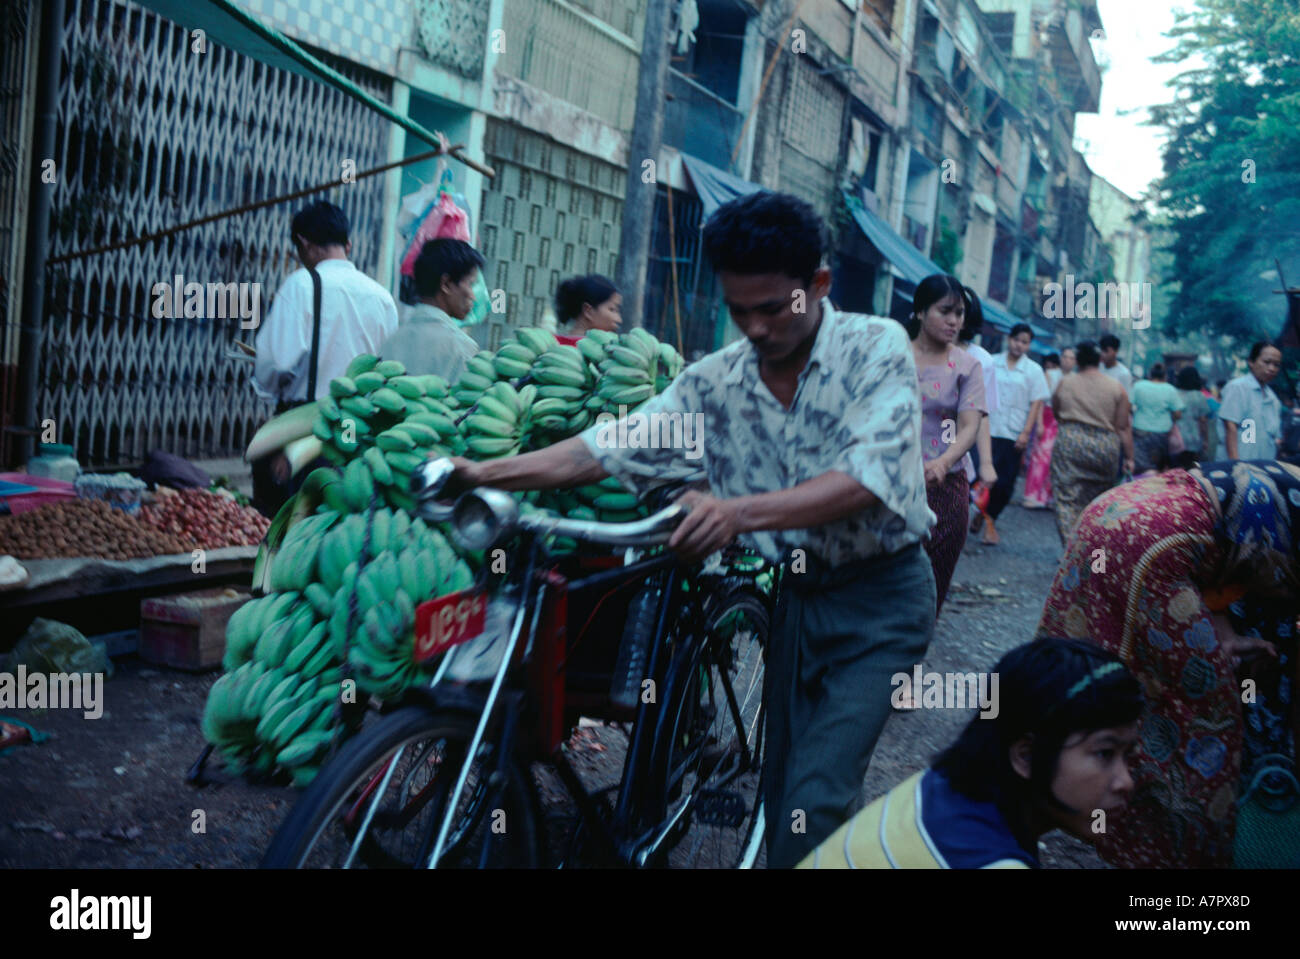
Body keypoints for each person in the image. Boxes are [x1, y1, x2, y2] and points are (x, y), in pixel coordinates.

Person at [441, 191, 937, 868]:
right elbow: (603, 447)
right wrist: (483, 472)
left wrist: (736, 512)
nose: (756, 328)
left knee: (814, 797)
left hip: (883, 599)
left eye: (773, 307)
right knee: (787, 789)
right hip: (799, 596)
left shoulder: (874, 348)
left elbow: (866, 479)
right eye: (740, 311)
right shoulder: (716, 381)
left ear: (818, 284)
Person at [1037, 458, 1300, 867]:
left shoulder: (1279, 486)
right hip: (1150, 543)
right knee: (1203, 713)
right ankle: (1164, 852)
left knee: (1093, 676)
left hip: (1112, 515)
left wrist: (1225, 638)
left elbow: (1220, 566)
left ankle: (1032, 792)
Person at [798, 636, 1142, 869]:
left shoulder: (941, 783)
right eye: (1104, 753)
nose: (1125, 782)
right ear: (1026, 756)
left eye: (1128, 756)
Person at [251, 200, 398, 515]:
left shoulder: (301, 285)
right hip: (357, 430)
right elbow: (388, 369)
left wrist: (268, 390)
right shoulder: (382, 298)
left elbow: (275, 364)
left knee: (283, 526)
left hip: (305, 426)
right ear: (348, 243)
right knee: (338, 524)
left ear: (303, 242)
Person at [907, 274, 986, 615]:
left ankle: (906, 663)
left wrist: (943, 461)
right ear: (921, 312)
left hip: (945, 487)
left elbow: (970, 425)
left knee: (927, 594)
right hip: (887, 485)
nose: (955, 321)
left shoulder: (967, 365)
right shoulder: (893, 354)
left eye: (960, 313)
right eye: (945, 311)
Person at [1049, 341, 1133, 543]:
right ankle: (1095, 555)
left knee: (1066, 500)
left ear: (1078, 360)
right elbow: (1123, 426)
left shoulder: (1065, 382)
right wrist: (1129, 457)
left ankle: (1073, 551)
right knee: (1099, 503)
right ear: (1099, 360)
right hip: (1105, 447)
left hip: (1070, 443)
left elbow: (1057, 411)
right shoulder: (1116, 387)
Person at [979, 323, 1050, 545]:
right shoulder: (991, 363)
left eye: (1024, 342)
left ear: (1029, 345)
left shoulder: (1033, 371)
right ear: (1009, 339)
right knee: (980, 477)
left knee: (1005, 483)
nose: (1019, 345)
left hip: (1013, 432)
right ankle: (978, 513)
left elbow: (1037, 402)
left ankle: (989, 518)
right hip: (987, 428)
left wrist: (1026, 432)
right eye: (1016, 340)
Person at [379, 238, 482, 384]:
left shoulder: (390, 342)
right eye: (470, 284)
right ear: (446, 284)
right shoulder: (461, 348)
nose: (473, 296)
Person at [955, 293, 998, 495]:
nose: (952, 320)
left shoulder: (981, 361)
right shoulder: (913, 351)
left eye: (959, 312)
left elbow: (982, 414)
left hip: (957, 446)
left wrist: (986, 463)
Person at [1220, 343, 1284, 460]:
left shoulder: (1273, 399)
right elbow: (1230, 427)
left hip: (1264, 466)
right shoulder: (1237, 388)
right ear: (1251, 362)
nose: (1271, 368)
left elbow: (1275, 437)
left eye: (1276, 365)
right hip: (1239, 465)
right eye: (1267, 362)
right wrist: (1236, 463)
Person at [1022, 353, 1061, 509]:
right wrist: (1039, 423)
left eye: (1071, 358)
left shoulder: (1072, 377)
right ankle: (1032, 494)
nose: (1068, 360)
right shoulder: (1049, 374)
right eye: (1065, 357)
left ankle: (1046, 496)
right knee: (1039, 457)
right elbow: (1040, 401)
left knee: (1053, 460)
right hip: (1046, 417)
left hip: (1059, 420)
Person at [1130, 363, 1184, 474]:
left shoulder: (1139, 386)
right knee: (1157, 466)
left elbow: (1128, 406)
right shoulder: (1170, 389)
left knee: (1141, 465)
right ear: (1165, 376)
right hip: (1161, 433)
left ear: (1149, 375)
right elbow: (1178, 414)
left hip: (1140, 430)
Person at [554, 274, 622, 345]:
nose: (619, 320)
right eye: (612, 309)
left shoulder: (554, 343)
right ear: (588, 311)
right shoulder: (602, 352)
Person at [1174, 365, 1211, 461]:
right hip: (1194, 439)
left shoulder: (1174, 394)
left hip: (1176, 438)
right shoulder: (1200, 396)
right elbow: (1203, 421)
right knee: (1191, 469)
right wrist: (1206, 439)